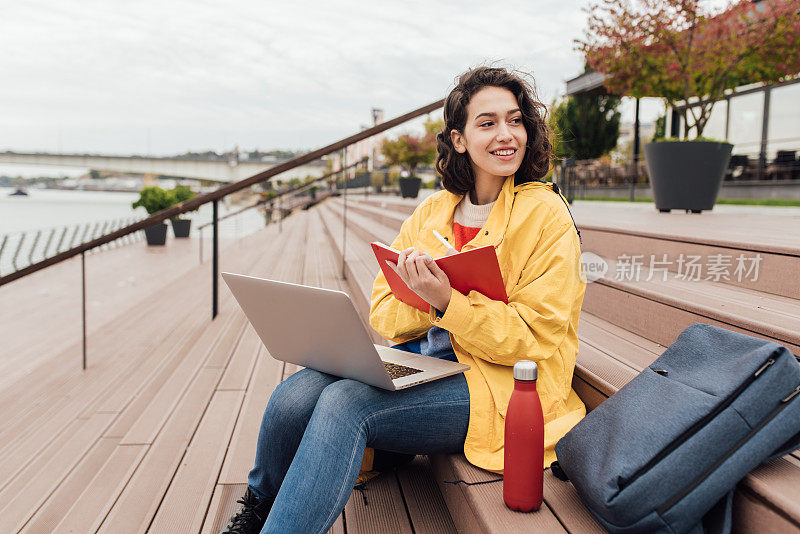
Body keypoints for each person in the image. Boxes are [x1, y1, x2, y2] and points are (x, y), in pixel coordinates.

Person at [220, 65, 587, 534]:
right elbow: (383, 312)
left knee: (346, 403)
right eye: (488, 122)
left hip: (501, 387)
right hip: (428, 363)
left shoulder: (546, 216)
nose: (506, 134)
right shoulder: (433, 211)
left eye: (515, 120)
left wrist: (446, 302)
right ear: (459, 140)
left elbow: (536, 338)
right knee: (298, 393)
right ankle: (258, 509)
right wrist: (423, 297)